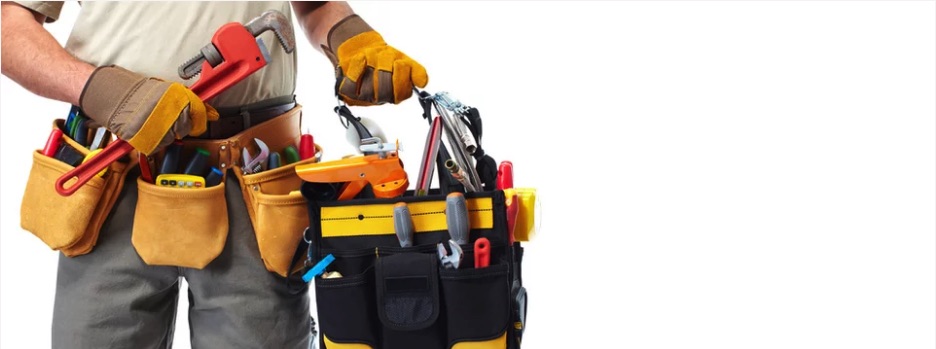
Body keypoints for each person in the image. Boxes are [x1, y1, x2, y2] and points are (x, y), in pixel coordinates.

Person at [0, 1, 427, 348]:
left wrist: (353, 39)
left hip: (254, 179)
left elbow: (317, 6)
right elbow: (9, 28)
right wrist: (105, 91)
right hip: (112, 174)